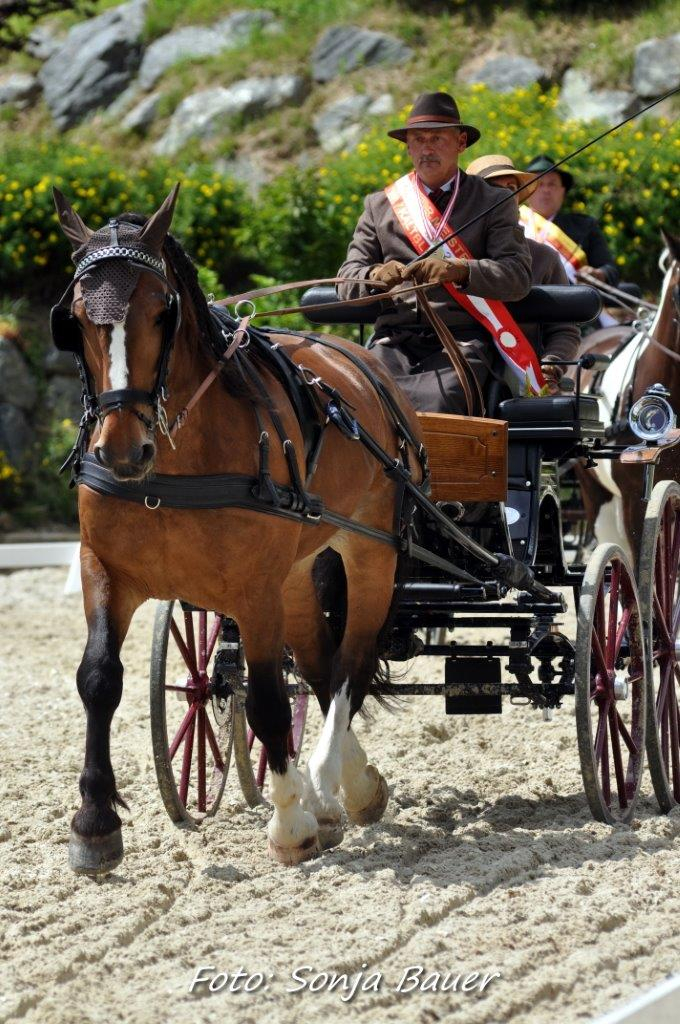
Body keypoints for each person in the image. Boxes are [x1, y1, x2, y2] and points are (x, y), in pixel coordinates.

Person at [336, 92, 544, 415]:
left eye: (437, 138)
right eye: (418, 139)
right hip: (394, 340)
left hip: (462, 341)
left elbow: (517, 276)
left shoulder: (494, 202)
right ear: (408, 147)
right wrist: (374, 276)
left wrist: (460, 270)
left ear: (461, 143)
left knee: (440, 400)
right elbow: (346, 280)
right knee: (356, 399)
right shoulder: (380, 206)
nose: (426, 148)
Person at [466, 153, 580, 394]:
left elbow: (564, 330)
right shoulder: (451, 258)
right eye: (493, 188)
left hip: (522, 376)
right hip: (458, 367)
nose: (506, 196)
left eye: (511, 188)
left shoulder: (545, 258)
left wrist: (552, 363)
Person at [521, 154, 619, 286]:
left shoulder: (584, 225)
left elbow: (610, 269)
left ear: (563, 191)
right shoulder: (510, 223)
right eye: (539, 184)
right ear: (526, 191)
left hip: (569, 299)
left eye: (552, 184)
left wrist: (598, 274)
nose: (546, 190)